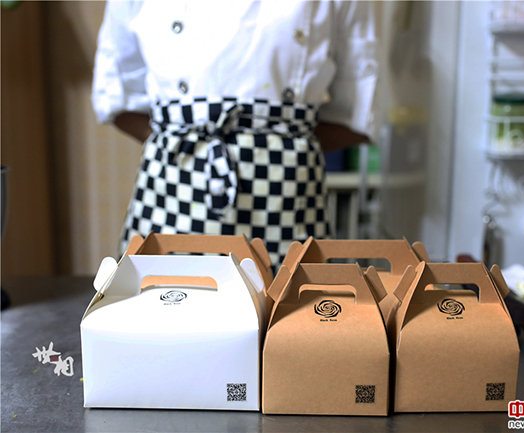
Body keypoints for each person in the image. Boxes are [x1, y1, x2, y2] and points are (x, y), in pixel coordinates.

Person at [92, 0, 380, 266]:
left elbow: (359, 111)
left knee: (291, 301)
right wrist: (187, 143)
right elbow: (117, 97)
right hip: (172, 189)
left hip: (286, 197)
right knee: (161, 296)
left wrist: (277, 149)